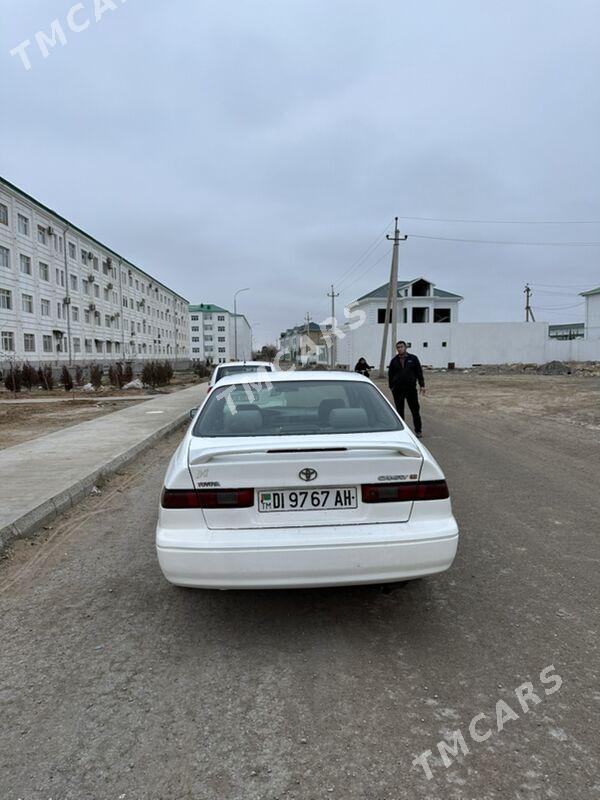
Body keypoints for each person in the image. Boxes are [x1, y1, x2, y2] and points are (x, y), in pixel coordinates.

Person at [388, 341, 426, 437]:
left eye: (401, 347)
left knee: (415, 410)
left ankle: (418, 430)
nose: (400, 349)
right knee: (399, 411)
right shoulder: (394, 361)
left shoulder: (413, 359)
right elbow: (390, 375)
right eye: (398, 347)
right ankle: (402, 432)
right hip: (398, 390)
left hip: (411, 389)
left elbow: (419, 372)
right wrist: (391, 387)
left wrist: (422, 385)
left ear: (405, 347)